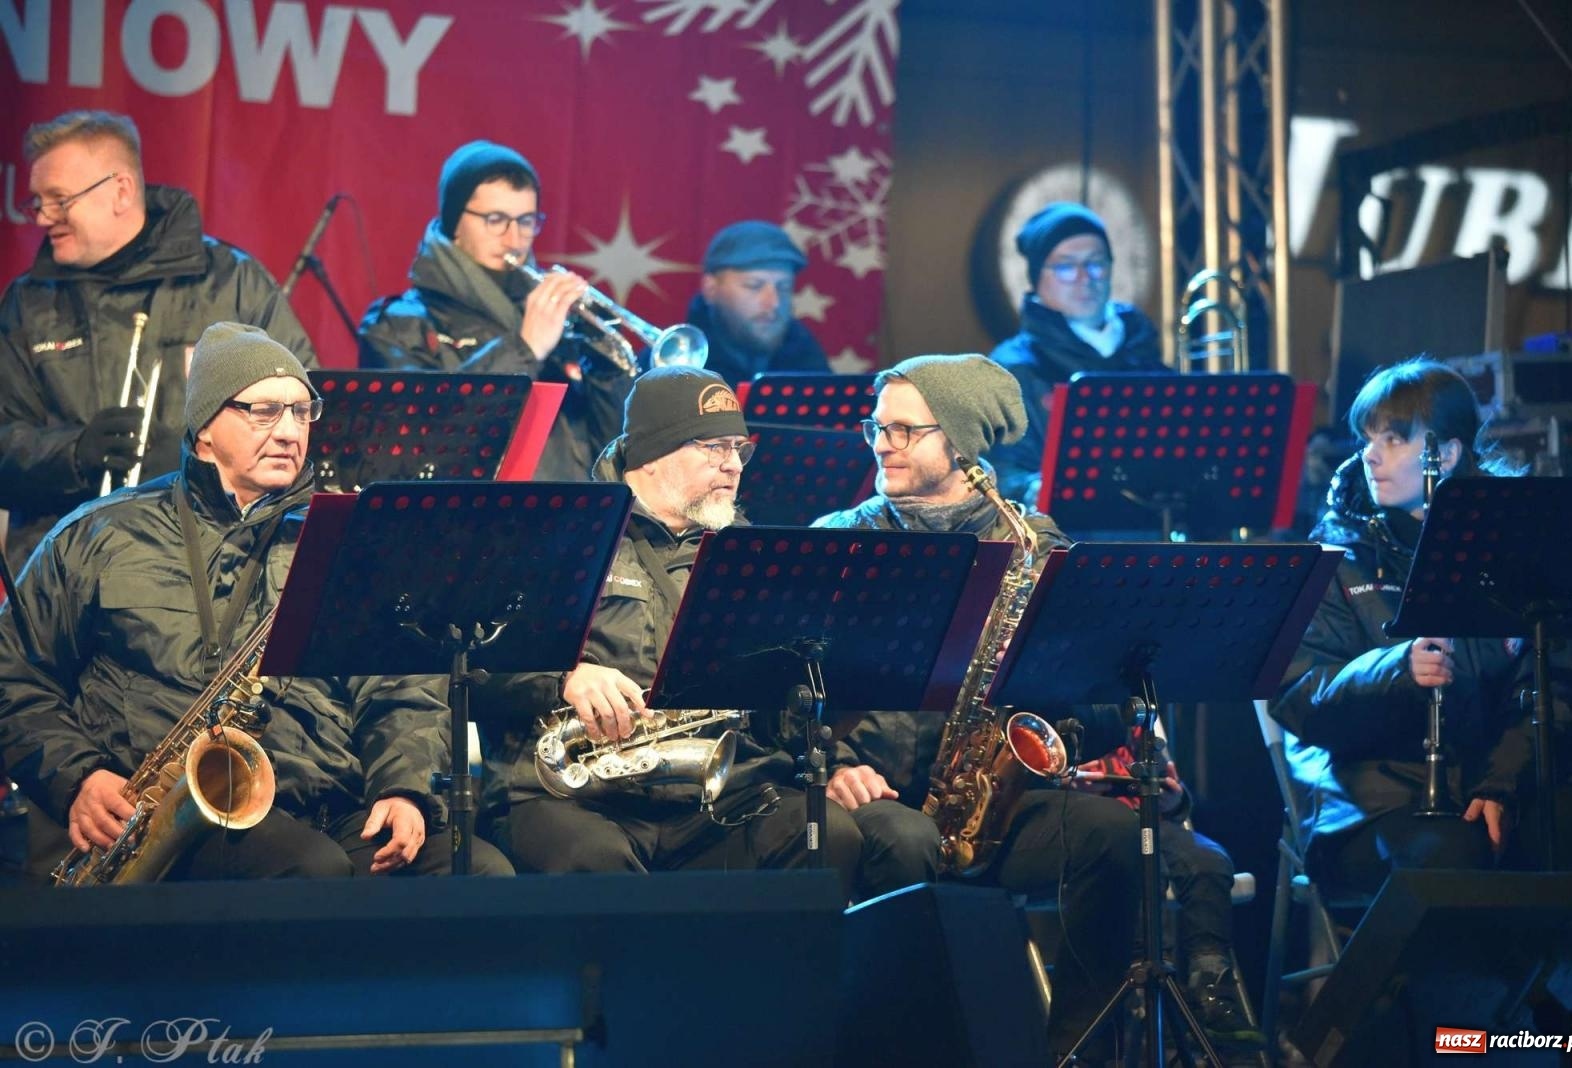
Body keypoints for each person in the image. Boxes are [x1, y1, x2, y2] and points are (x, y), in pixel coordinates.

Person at [0, 322, 510, 881]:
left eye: (301, 411)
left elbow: (400, 686)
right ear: (204, 432)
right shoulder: (98, 534)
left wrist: (404, 789)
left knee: (478, 871)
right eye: (264, 411)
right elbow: (14, 675)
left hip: (328, 809)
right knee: (309, 871)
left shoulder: (346, 539)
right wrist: (79, 776)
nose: (290, 431)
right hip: (166, 823)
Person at [811, 352, 1141, 1059]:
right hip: (879, 793)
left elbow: (1089, 689)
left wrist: (1055, 736)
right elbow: (781, 696)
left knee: (1111, 840)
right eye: (878, 428)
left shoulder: (1035, 543)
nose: (882, 444)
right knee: (909, 844)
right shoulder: (839, 540)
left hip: (992, 798)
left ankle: (1072, 1049)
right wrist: (829, 765)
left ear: (959, 443)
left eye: (905, 431)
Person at [474, 365, 861, 896]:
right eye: (713, 448)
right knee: (593, 861)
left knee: (824, 834)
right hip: (571, 797)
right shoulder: (560, 533)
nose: (732, 466)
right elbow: (470, 666)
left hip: (713, 797)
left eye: (739, 449)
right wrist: (562, 674)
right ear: (652, 456)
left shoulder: (749, 551)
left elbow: (779, 711)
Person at [1271, 357, 1572, 899]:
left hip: (1501, 774)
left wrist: (1502, 783)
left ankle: (1541, 987)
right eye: (1367, 438)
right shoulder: (1334, 554)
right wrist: (1397, 669)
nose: (1370, 456)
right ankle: (1423, 986)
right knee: (1452, 859)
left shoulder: (1516, 538)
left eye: (1394, 439)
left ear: (1446, 453)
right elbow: (1299, 693)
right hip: (1373, 800)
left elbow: (1559, 679)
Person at [0, 110, 316, 564]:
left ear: (121, 191)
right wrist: (73, 453)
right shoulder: (26, 304)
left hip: (214, 566)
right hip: (66, 573)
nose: (43, 217)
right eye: (38, 201)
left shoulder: (232, 283)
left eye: (59, 199)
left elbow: (304, 408)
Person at [357, 140, 628, 481]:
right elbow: (423, 440)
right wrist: (524, 350)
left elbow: (613, 453)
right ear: (455, 221)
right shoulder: (398, 324)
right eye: (496, 219)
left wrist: (606, 372)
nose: (514, 238)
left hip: (569, 519)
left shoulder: (555, 321)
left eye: (526, 220)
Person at [1074, 731, 1265, 1050]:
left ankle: (1211, 987)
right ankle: (1148, 995)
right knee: (1140, 862)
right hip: (1094, 828)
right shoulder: (1062, 704)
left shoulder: (1132, 716)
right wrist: (1067, 785)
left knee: (1208, 860)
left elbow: (1167, 782)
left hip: (1153, 821)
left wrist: (1175, 799)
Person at [987, 201, 1167, 505]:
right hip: (1067, 542)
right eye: (1066, 266)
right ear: (1035, 276)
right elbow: (999, 472)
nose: (1085, 278)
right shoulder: (1013, 368)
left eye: (1096, 263)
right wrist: (1036, 489)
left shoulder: (1143, 350)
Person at [687, 220, 830, 383]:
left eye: (784, 287)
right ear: (711, 289)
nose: (773, 303)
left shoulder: (807, 357)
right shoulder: (670, 363)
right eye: (754, 286)